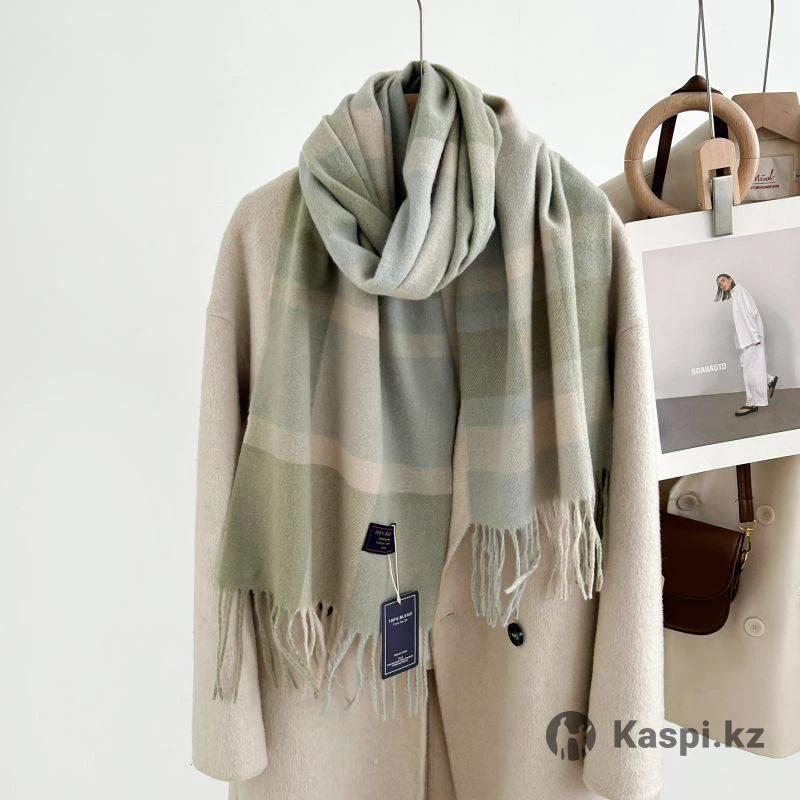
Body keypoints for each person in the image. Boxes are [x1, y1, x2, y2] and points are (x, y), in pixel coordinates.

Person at [715, 274, 778, 417]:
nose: (721, 284)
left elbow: (749, 314)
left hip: (752, 338)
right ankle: (769, 380)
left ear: (730, 279)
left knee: (749, 370)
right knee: (749, 366)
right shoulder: (736, 293)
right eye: (719, 283)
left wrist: (755, 337)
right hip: (748, 338)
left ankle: (752, 403)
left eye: (723, 280)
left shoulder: (739, 291)